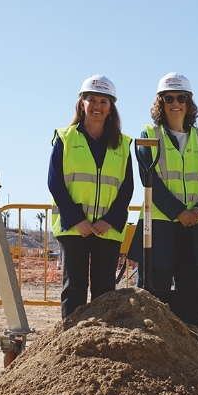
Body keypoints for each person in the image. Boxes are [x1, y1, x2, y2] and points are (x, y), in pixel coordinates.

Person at [128, 72, 198, 335]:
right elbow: (149, 179)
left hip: (197, 228)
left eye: (181, 97)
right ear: (161, 102)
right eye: (169, 98)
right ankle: (151, 345)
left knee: (192, 295)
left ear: (189, 103)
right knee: (153, 294)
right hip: (159, 228)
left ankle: (193, 346)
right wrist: (179, 212)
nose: (175, 103)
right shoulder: (148, 135)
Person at [47, 75, 133, 318]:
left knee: (105, 289)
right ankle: (72, 344)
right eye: (91, 99)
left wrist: (110, 220)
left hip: (108, 228)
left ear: (110, 108)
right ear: (81, 103)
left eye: (104, 101)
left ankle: (101, 342)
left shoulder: (123, 144)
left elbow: (126, 188)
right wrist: (77, 219)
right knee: (74, 286)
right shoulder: (65, 138)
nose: (97, 106)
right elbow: (55, 183)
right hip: (74, 227)